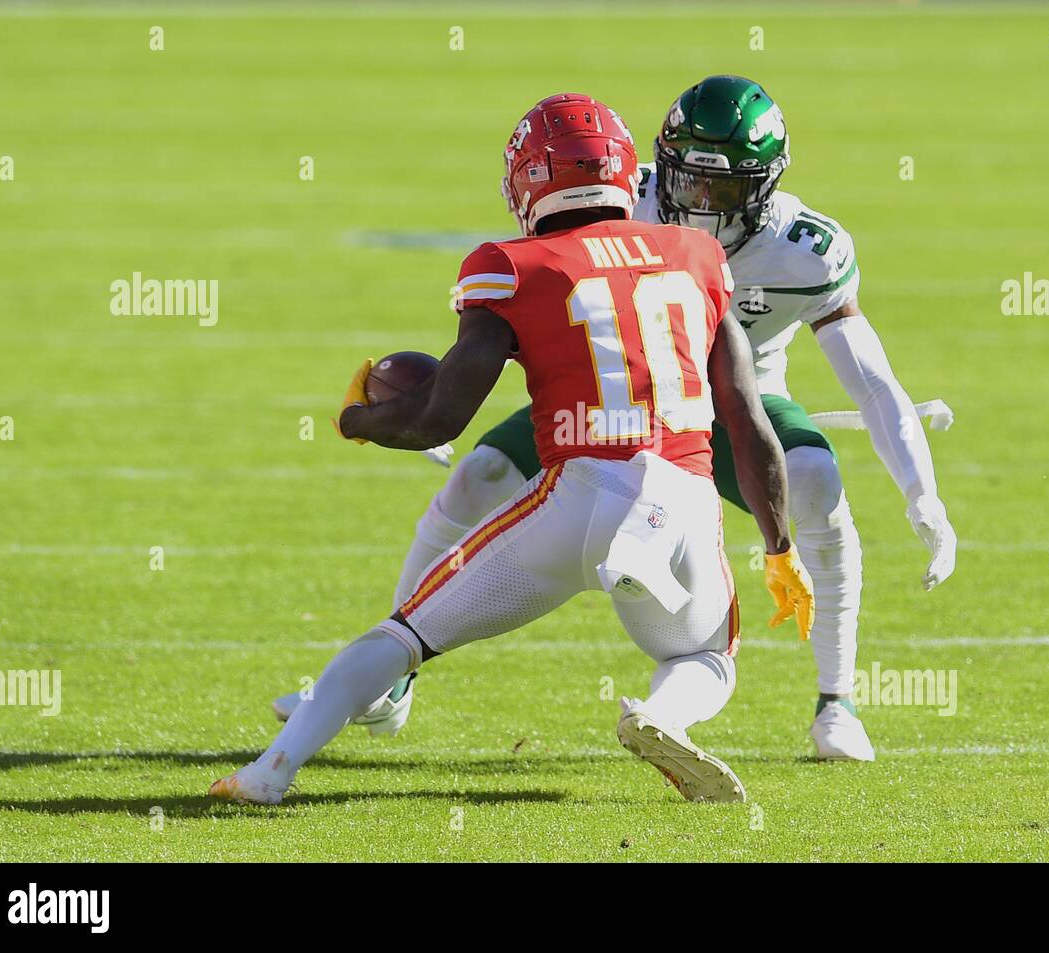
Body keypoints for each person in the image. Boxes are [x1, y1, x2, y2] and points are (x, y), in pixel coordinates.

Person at [275, 76, 957, 762]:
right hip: (618, 398)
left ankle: (836, 700)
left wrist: (921, 492)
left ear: (765, 186)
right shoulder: (620, 194)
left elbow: (872, 382)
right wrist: (434, 406)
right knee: (480, 472)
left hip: (730, 405)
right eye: (688, 181)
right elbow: (536, 298)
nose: (698, 202)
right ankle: (393, 683)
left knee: (812, 478)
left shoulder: (805, 249)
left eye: (722, 189)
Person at [212, 93, 814, 805]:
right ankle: (661, 715)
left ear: (528, 181)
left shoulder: (512, 264)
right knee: (705, 656)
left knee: (405, 635)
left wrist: (357, 420)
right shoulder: (697, 256)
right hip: (680, 500)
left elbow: (441, 419)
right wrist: (780, 548)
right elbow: (749, 424)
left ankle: (269, 772)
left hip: (579, 495)